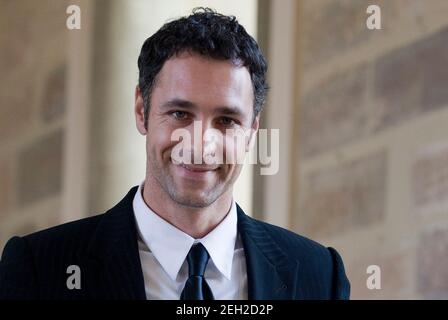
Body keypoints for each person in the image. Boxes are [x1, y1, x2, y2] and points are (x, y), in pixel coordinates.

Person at [0, 8, 350, 300]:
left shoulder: (319, 275)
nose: (200, 143)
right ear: (141, 111)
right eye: (180, 113)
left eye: (226, 120)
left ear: (252, 131)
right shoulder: (39, 269)